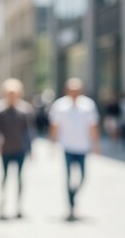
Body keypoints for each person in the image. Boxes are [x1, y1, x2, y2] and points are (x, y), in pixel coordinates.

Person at [49, 78, 100, 221]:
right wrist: (52, 143)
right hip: (67, 146)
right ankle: (70, 204)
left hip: (83, 147)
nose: (75, 92)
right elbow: (54, 126)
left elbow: (93, 126)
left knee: (83, 176)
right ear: (67, 90)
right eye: (72, 90)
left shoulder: (88, 105)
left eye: (77, 90)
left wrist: (96, 144)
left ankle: (74, 194)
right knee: (68, 177)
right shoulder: (60, 105)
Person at [0, 78, 34, 219]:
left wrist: (31, 149)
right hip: (6, 149)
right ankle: (2, 204)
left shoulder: (25, 109)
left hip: (20, 148)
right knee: (4, 177)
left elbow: (28, 131)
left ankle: (18, 206)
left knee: (20, 178)